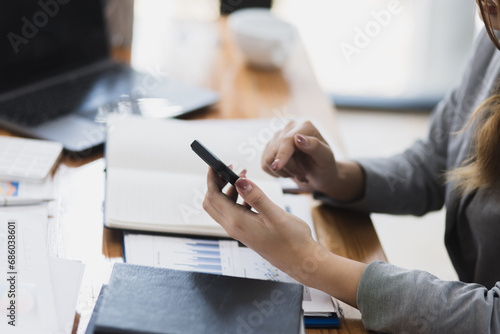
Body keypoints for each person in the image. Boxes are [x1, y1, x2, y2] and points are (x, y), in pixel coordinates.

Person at [203, 1, 500, 332]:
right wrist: (336, 176)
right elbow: (434, 163)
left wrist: (310, 262)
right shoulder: (494, 36)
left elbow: (492, 317)